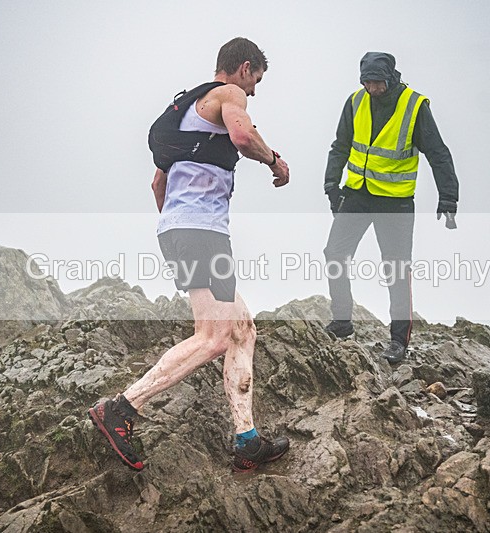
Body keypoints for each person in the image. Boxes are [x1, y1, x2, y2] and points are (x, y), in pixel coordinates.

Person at [88, 37, 291, 472]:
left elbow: (157, 186)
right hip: (200, 231)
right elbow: (241, 135)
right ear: (244, 68)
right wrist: (274, 161)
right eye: (255, 81)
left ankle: (247, 440)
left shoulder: (185, 112)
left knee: (242, 329)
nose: (253, 92)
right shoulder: (227, 94)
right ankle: (122, 409)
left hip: (183, 229)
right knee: (214, 336)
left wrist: (177, 231)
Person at [323, 52, 459, 363]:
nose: (372, 88)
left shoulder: (414, 106)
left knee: (396, 269)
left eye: (378, 82)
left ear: (391, 78)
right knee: (334, 254)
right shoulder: (355, 102)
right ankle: (342, 321)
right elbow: (340, 145)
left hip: (395, 202)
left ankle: (398, 341)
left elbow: (438, 153)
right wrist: (331, 186)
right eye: (367, 82)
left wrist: (448, 196)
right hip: (356, 194)